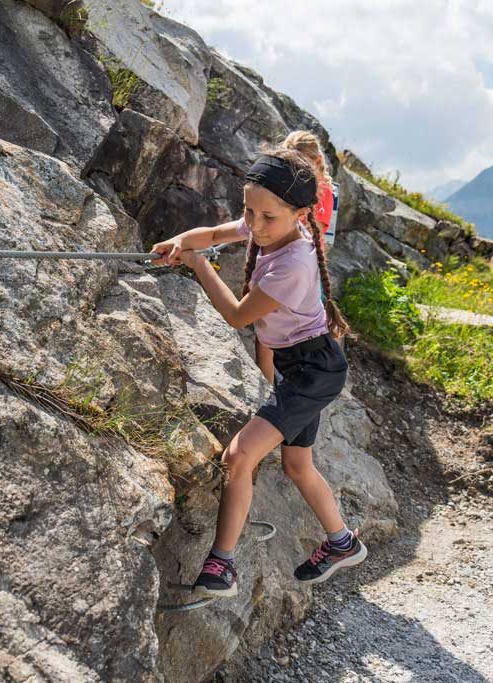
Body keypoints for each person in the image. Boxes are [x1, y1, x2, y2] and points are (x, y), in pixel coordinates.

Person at [151, 149, 366, 598]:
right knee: (297, 464)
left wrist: (198, 263)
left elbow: (236, 316)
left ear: (301, 214)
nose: (256, 225)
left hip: (313, 369)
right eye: (250, 211)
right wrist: (180, 243)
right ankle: (342, 542)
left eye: (267, 216)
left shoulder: (294, 264)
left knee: (239, 455)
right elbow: (212, 232)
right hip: (303, 366)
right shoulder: (265, 223)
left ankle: (221, 565)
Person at [253, 131, 338, 383]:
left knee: (293, 331)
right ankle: (267, 384)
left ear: (315, 161)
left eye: (299, 162)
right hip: (286, 260)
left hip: (302, 267)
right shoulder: (298, 185)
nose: (294, 168)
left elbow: (316, 232)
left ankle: (289, 386)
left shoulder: (323, 191)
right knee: (265, 330)